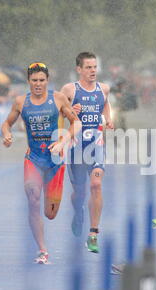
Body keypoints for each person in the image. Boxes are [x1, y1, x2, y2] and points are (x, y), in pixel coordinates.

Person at [1, 62, 81, 264]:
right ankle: (42, 250)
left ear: (47, 81)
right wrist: (6, 135)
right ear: (28, 81)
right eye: (34, 80)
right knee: (33, 197)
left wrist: (62, 141)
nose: (38, 84)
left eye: (42, 80)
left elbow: (76, 123)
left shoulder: (58, 98)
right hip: (34, 158)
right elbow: (6, 123)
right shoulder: (21, 102)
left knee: (50, 214)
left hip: (55, 161)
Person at [60, 52, 114, 253]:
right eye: (88, 67)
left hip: (97, 144)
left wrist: (108, 119)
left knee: (96, 184)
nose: (93, 71)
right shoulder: (69, 89)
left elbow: (105, 104)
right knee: (79, 193)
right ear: (79, 69)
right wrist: (71, 111)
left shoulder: (104, 88)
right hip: (76, 147)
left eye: (94, 67)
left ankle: (93, 234)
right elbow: (57, 110)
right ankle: (78, 211)